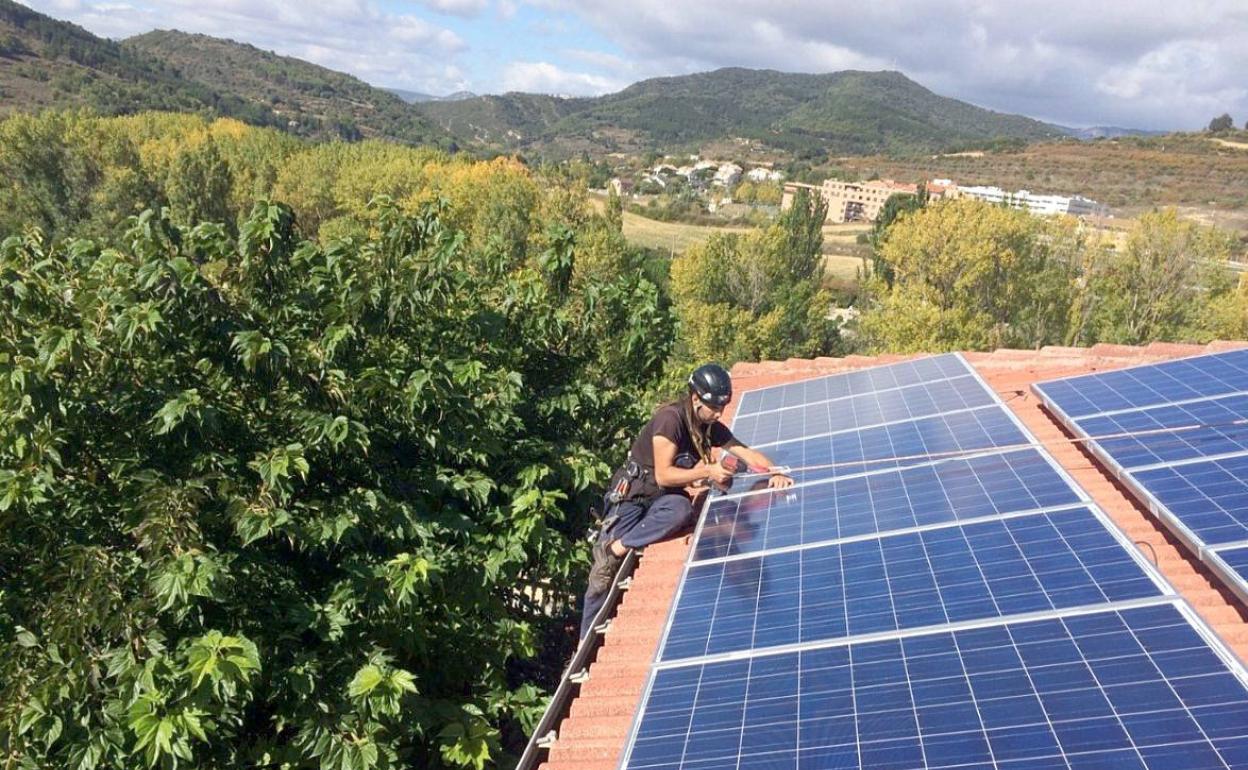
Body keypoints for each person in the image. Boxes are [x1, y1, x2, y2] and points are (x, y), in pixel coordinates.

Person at [579, 363, 794, 638]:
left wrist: (775, 472)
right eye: (713, 407)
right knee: (603, 577)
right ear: (695, 399)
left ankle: (620, 546)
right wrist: (708, 471)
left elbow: (745, 453)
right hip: (633, 497)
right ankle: (611, 556)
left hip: (663, 501)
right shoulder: (671, 420)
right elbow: (665, 475)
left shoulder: (708, 425)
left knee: (681, 510)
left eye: (722, 407)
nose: (718, 413)